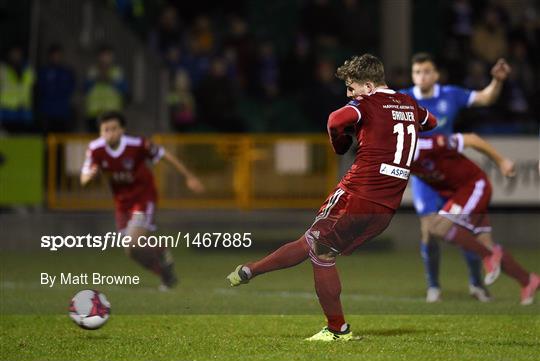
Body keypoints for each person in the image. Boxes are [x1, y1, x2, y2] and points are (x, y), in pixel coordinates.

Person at [226, 54, 441, 341]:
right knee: (314, 241)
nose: (349, 95)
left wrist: (341, 142)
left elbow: (335, 119)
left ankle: (337, 329)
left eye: (352, 89)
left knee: (322, 253)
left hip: (357, 194)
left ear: (368, 85)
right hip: (386, 207)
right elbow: (432, 121)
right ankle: (250, 270)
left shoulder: (367, 103)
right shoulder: (410, 104)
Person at [400, 52, 511, 303]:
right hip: (425, 180)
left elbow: (486, 98)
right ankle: (434, 287)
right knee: (429, 231)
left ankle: (476, 284)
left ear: (435, 74)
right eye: (417, 72)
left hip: (452, 175)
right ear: (412, 75)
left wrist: (497, 82)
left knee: (463, 229)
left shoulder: (450, 94)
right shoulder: (404, 99)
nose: (422, 76)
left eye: (426, 71)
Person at [80, 111, 204, 289]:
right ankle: (165, 273)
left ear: (122, 130)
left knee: (133, 241)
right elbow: (84, 177)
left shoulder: (137, 144)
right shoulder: (95, 149)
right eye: (105, 130)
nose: (110, 133)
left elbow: (164, 155)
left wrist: (188, 176)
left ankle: (161, 251)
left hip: (143, 197)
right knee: (131, 251)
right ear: (100, 132)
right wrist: (89, 177)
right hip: (122, 203)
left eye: (114, 129)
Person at [411, 133, 539, 305]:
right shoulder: (394, 156)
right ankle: (527, 281)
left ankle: (489, 256)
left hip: (473, 186)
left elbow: (472, 139)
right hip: (458, 192)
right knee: (484, 242)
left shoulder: (427, 145)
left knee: (436, 227)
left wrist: (501, 161)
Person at [37, 44, 76, 133]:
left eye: (58, 55)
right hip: (47, 112)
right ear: (49, 56)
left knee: (61, 139)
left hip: (62, 112)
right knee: (47, 139)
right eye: (54, 55)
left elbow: (71, 88)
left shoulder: (67, 72)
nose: (56, 58)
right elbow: (41, 88)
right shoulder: (44, 71)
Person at [0, 45, 35, 133]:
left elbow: (32, 86)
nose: (16, 55)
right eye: (14, 53)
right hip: (6, 110)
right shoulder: (3, 68)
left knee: (22, 140)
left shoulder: (28, 69)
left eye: (18, 53)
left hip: (24, 110)